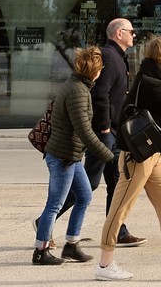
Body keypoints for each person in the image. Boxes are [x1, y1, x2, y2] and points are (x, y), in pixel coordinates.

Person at [96, 36, 161, 282]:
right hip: (138, 157)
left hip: (153, 154)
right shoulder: (150, 83)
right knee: (120, 210)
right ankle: (104, 265)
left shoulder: (154, 79)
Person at [58, 17, 144, 247]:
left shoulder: (118, 57)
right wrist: (105, 126)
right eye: (131, 31)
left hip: (114, 132)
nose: (134, 35)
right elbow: (100, 95)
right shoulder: (109, 56)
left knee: (116, 182)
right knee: (90, 184)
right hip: (105, 133)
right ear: (118, 33)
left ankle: (118, 231)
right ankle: (46, 220)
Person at [33, 46, 118, 266]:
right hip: (63, 157)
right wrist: (110, 156)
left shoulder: (78, 86)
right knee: (54, 204)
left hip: (71, 155)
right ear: (95, 71)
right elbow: (85, 131)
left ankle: (71, 245)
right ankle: (40, 251)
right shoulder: (78, 92)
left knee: (85, 196)